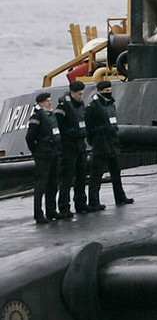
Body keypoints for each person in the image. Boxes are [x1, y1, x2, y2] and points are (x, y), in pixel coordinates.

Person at [86, 79, 133, 209]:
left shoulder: (110, 104)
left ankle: (120, 197)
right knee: (96, 174)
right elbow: (88, 127)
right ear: (100, 91)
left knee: (116, 173)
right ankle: (94, 201)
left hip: (112, 143)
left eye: (110, 90)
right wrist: (94, 140)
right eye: (106, 91)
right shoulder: (93, 106)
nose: (109, 92)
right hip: (100, 144)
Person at [25, 91, 61, 224]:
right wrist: (36, 151)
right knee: (41, 184)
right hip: (43, 154)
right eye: (47, 101)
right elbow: (30, 137)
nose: (50, 102)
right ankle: (38, 214)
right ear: (40, 103)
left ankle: (51, 211)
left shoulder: (51, 115)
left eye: (50, 100)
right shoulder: (37, 116)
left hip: (53, 152)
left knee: (53, 183)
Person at [56, 80, 88, 215]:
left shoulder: (80, 105)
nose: (81, 96)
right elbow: (58, 127)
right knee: (67, 177)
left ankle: (81, 204)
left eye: (82, 94)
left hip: (80, 145)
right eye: (79, 94)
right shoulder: (62, 107)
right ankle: (64, 207)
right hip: (68, 147)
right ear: (72, 93)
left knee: (81, 175)